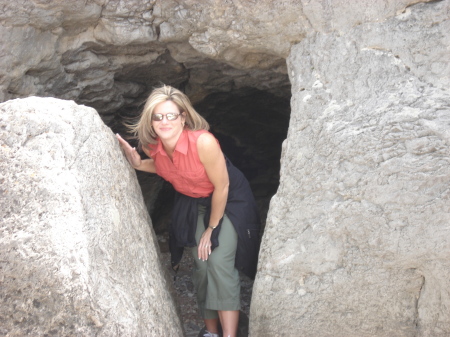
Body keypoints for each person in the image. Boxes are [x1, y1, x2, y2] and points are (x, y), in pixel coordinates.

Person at [116, 85, 260, 337]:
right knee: (202, 264)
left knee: (218, 262)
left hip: (229, 200)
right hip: (194, 201)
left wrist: (211, 229)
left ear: (183, 117)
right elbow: (165, 167)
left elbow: (222, 186)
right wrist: (139, 164)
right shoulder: (152, 147)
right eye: (158, 116)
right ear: (150, 120)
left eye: (171, 115)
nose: (165, 121)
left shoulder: (203, 142)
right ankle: (211, 332)